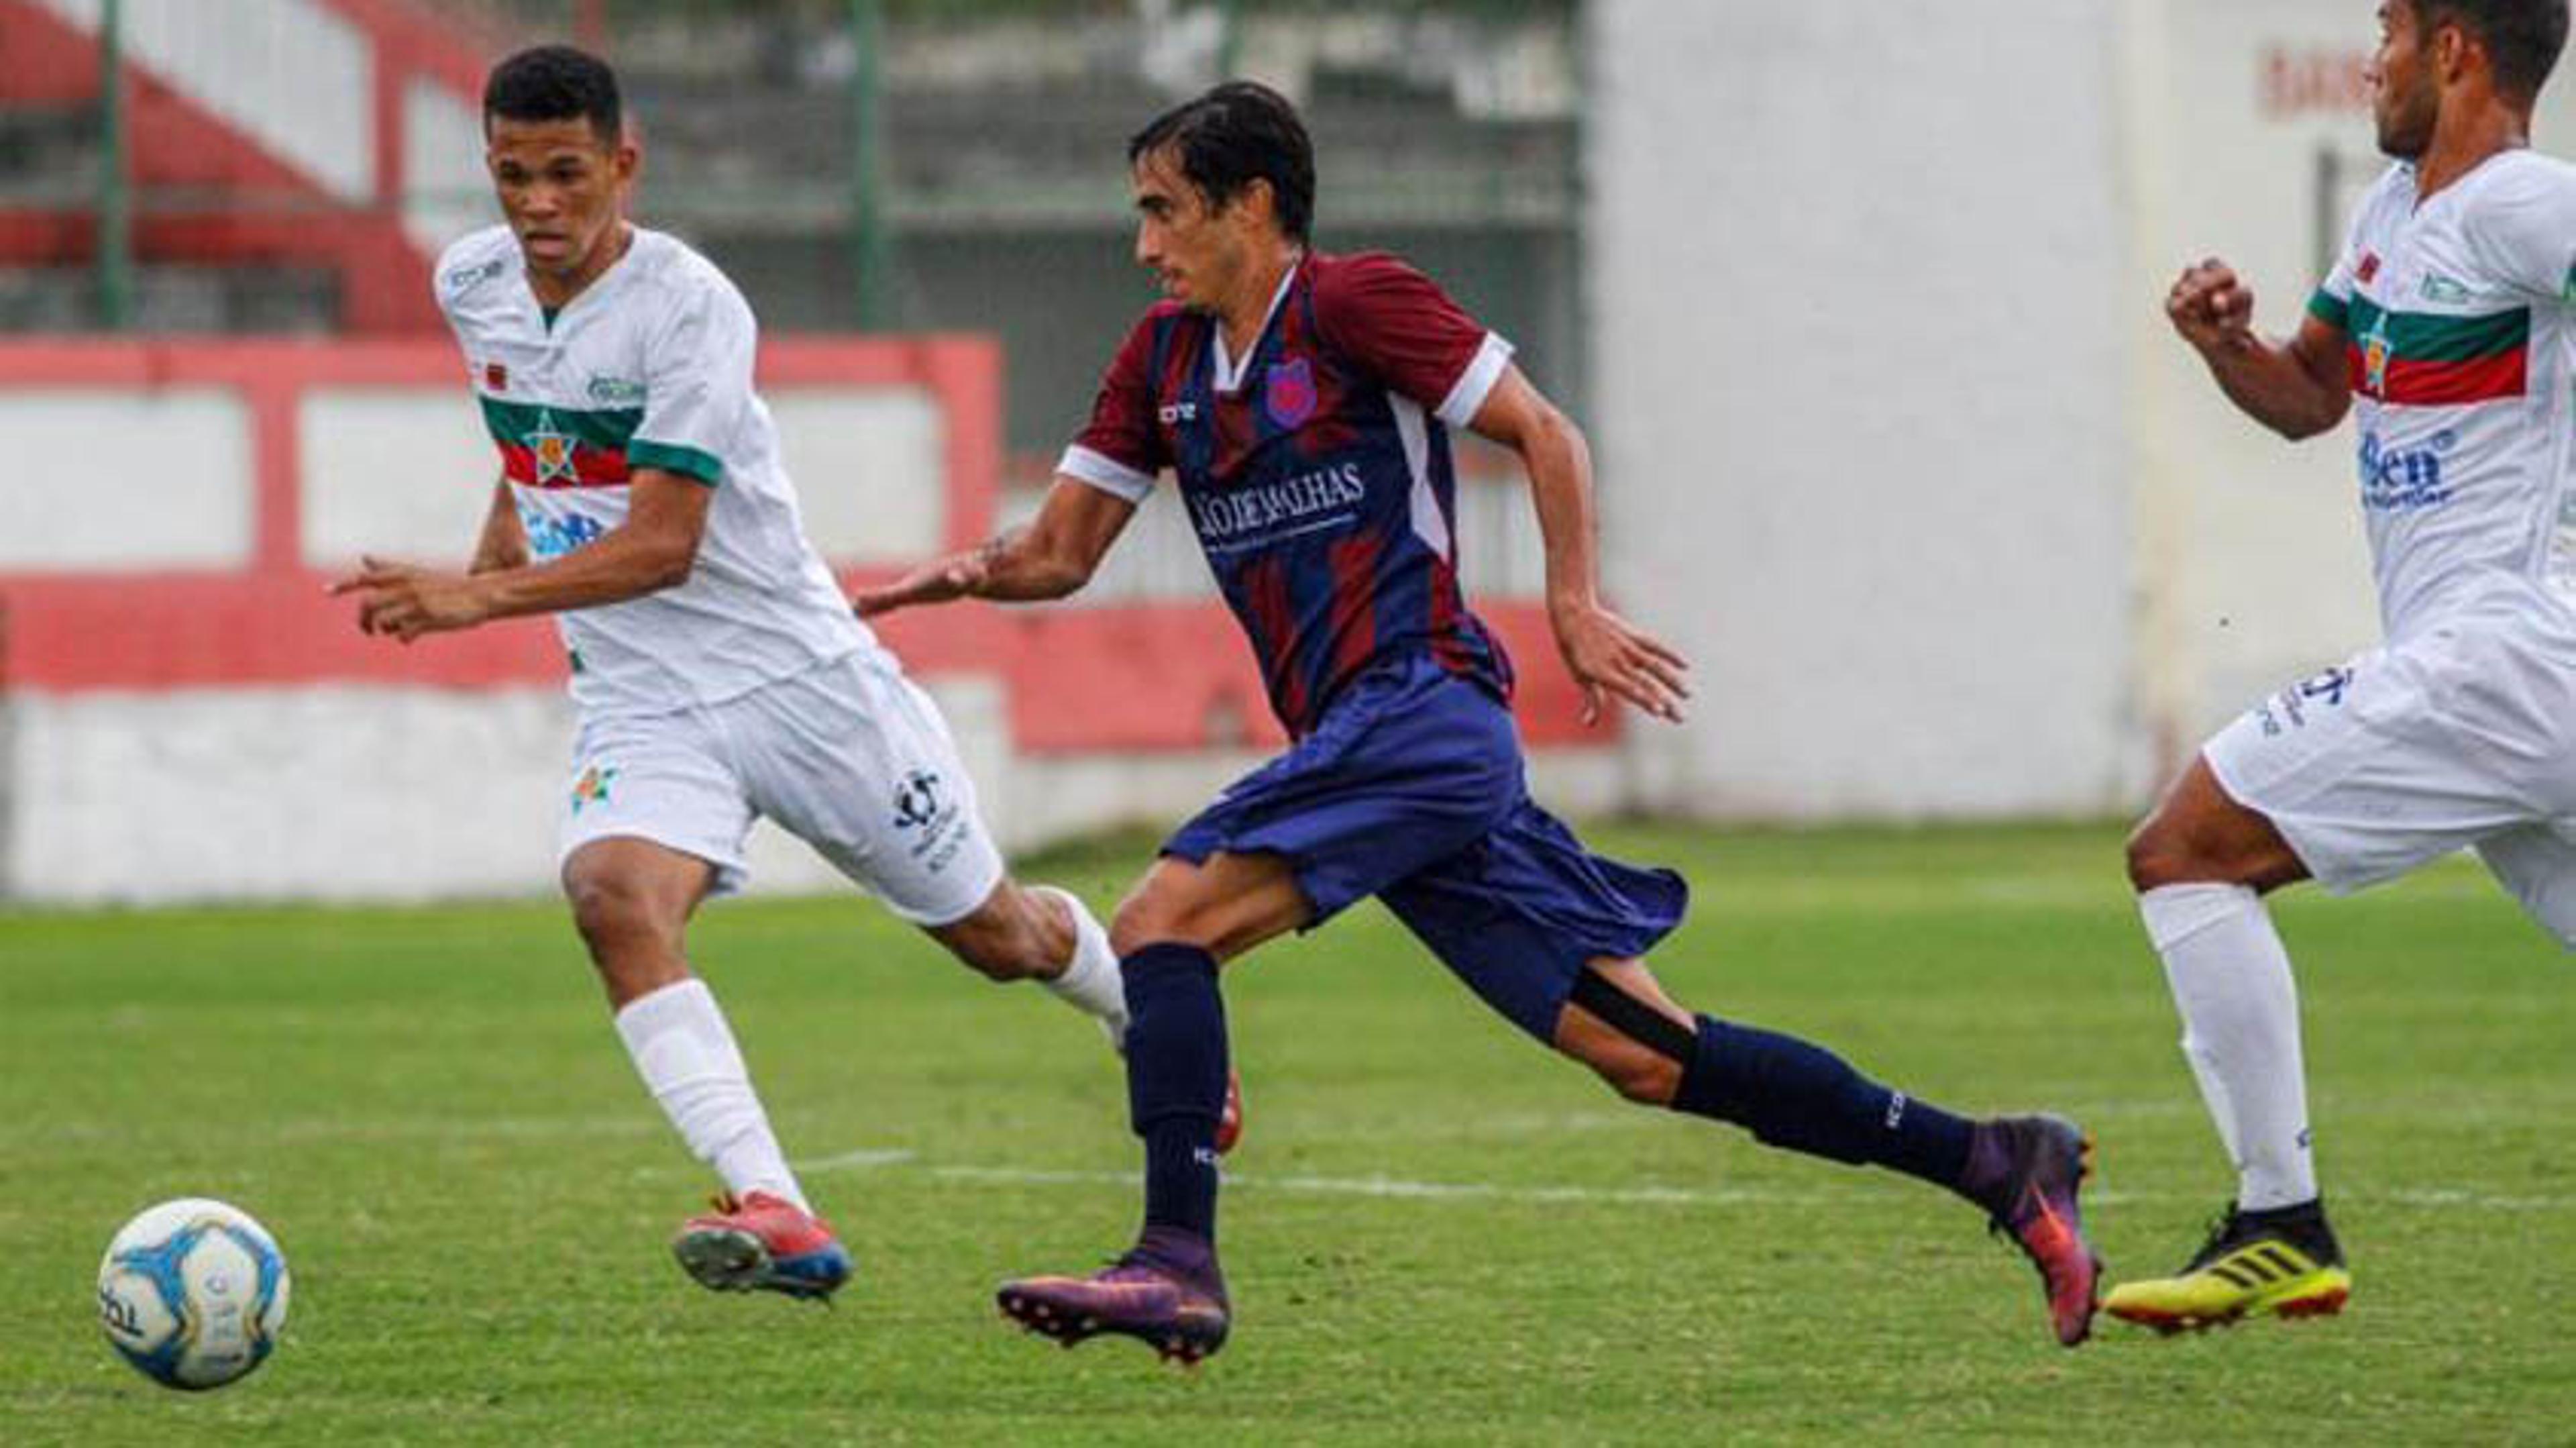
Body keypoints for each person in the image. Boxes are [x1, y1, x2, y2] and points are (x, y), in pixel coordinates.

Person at [859, 80, 2102, 1361]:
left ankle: (1176, 1254)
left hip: (1423, 710)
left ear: (1254, 204)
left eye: (1165, 212)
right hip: (1380, 753)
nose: (1144, 245)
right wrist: (961, 574)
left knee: (1160, 925)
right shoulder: (1161, 364)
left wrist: (1570, 602)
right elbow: (1063, 551)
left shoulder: (1354, 303)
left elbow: (1543, 433)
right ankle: (1999, 1161)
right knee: (1647, 1054)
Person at [329, 44, 1238, 1304]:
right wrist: (494, 543)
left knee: (997, 933)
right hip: (643, 693)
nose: (537, 203)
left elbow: (663, 541)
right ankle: (779, 1204)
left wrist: (475, 597)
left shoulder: (691, 304)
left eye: (565, 174)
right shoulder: (472, 281)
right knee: (611, 896)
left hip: (800, 681)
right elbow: (530, 423)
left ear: (623, 165)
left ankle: (1141, 1016)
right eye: (511, 175)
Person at [2112, 0, 2575, 1333]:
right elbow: (2314, 395)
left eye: (2383, 28)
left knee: (2185, 846)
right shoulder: (2391, 212)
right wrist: (2224, 347)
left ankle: (2280, 1220)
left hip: (2503, 653)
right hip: (2514, 673)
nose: (2366, 58)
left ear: (2453, 50)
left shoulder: (2525, 203)